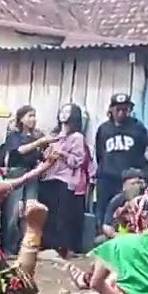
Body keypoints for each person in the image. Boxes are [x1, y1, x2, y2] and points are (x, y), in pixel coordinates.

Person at [0, 105, 54, 254]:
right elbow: (20, 151)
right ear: (21, 119)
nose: (33, 119)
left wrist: (49, 154)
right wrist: (40, 142)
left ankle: (26, 247)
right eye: (30, 116)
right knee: (13, 212)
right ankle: (8, 248)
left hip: (32, 174)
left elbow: (40, 157)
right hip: (16, 174)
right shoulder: (13, 136)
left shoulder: (37, 137)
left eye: (34, 116)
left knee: (31, 211)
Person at [40, 104, 88, 257]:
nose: (63, 114)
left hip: (65, 178)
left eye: (68, 112)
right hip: (48, 176)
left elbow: (78, 160)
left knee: (63, 215)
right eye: (62, 111)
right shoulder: (54, 135)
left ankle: (61, 248)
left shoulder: (77, 137)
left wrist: (62, 154)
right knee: (48, 214)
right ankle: (47, 246)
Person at [94, 93, 148, 224]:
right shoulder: (104, 129)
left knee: (128, 213)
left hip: (129, 179)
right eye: (118, 109)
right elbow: (100, 153)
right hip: (107, 179)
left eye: (125, 109)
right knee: (103, 213)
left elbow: (143, 151)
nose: (121, 113)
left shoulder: (138, 127)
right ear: (111, 110)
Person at [101, 168, 147, 239]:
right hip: (119, 236)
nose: (136, 187)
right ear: (124, 186)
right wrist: (118, 236)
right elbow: (106, 225)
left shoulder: (146, 200)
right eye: (133, 184)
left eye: (138, 183)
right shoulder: (117, 200)